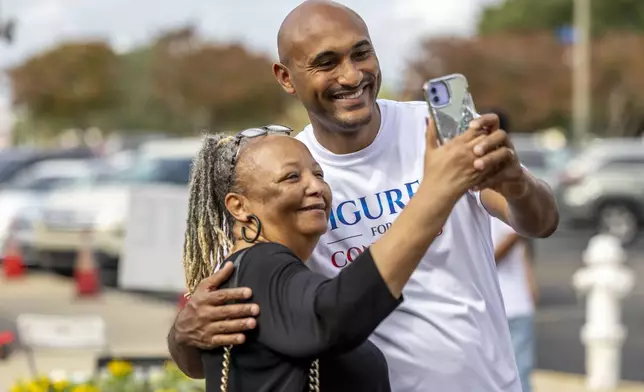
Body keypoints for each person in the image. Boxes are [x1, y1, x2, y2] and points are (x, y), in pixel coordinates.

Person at [167, 1, 560, 391]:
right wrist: (184, 334)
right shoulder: (283, 184)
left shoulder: (433, 129)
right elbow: (231, 339)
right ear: (286, 78)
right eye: (326, 62)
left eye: (361, 53)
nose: (352, 75)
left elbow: (541, 222)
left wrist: (516, 184)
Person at [181, 121, 508, 391]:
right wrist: (436, 192)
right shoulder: (260, 265)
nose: (316, 187)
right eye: (292, 177)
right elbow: (335, 315)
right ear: (239, 206)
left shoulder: (254, 270)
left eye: (319, 175)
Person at [491, 217, 540, 392]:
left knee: (518, 372)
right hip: (500, 303)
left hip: (512, 303)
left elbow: (515, 237)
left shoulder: (492, 200)